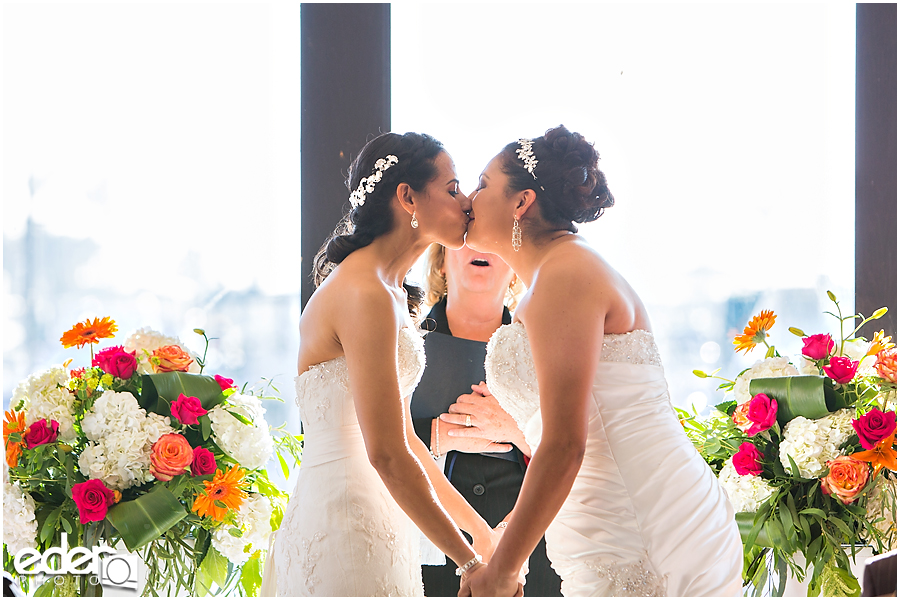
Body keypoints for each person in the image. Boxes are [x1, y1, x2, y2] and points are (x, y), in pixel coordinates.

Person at [459, 125, 744, 596]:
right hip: (608, 514)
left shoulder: (565, 275)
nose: (471, 197)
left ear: (521, 201)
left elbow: (566, 443)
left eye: (484, 183)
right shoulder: (559, 271)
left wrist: (505, 569)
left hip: (642, 522)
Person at [266, 132, 502, 597]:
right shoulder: (363, 291)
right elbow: (387, 454)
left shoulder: (391, 293)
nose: (467, 203)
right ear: (408, 196)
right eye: (453, 189)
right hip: (344, 521)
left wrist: (482, 535)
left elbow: (408, 443)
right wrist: (469, 563)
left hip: (382, 518)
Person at [410, 243, 562, 596]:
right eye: (465, 241)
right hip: (436, 530)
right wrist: (434, 435)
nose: (480, 248)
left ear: (514, 268)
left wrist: (518, 430)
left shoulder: (545, 342)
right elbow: (365, 434)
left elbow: (580, 444)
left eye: (494, 243)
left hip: (531, 531)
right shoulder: (406, 338)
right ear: (441, 263)